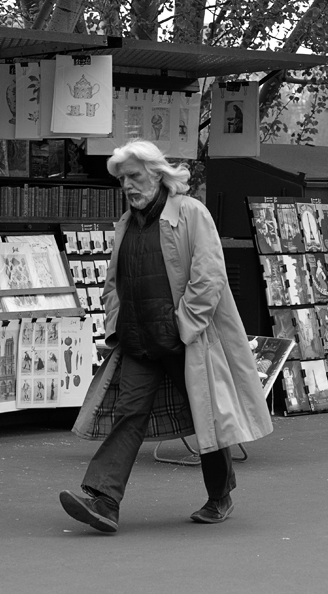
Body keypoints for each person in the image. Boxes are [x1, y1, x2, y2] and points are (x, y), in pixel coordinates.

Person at [59, 140, 272, 534]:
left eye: (135, 177)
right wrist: (115, 328)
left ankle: (220, 494)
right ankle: (104, 502)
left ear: (158, 175)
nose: (128, 186)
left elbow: (209, 278)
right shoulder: (127, 223)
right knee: (129, 414)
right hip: (140, 342)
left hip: (185, 341)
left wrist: (183, 326)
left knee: (207, 415)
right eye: (123, 179)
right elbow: (113, 284)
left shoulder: (191, 213)